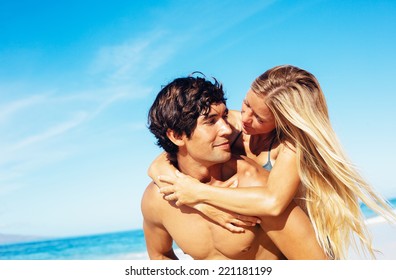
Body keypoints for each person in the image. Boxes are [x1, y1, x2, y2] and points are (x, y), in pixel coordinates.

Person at [151, 65, 396, 259]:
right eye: (245, 104)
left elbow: (273, 202)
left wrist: (198, 193)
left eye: (257, 117)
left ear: (282, 121)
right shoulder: (232, 123)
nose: (242, 119)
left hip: (294, 238)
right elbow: (168, 155)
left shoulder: (289, 147)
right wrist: (200, 201)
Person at [142, 74, 327, 260]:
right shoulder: (157, 199)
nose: (228, 129)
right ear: (177, 136)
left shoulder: (254, 186)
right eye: (211, 121)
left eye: (224, 116)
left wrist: (199, 193)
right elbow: (159, 256)